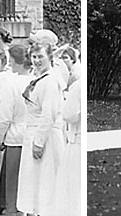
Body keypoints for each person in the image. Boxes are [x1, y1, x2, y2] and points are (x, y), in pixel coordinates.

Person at [0, 41, 42, 215]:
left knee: (13, 179)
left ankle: (13, 209)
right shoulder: (38, 81)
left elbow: (4, 116)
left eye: (11, 59)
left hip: (15, 136)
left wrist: (0, 138)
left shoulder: (12, 84)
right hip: (34, 133)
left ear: (15, 60)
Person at [31, 58, 81, 216]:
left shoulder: (74, 87)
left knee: (68, 182)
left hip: (72, 138)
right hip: (64, 134)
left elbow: (68, 114)